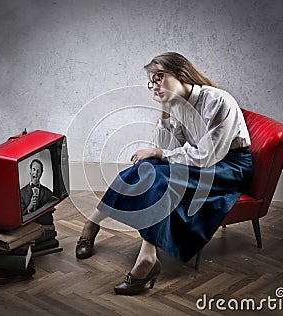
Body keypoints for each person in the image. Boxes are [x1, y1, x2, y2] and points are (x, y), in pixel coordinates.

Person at [75, 52, 252, 295]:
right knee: (143, 168)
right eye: (152, 81)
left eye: (160, 78)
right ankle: (92, 223)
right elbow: (169, 148)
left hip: (227, 167)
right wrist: (165, 112)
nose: (155, 85)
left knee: (160, 178)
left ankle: (147, 259)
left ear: (180, 74)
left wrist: (159, 153)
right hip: (198, 161)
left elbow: (207, 156)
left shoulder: (219, 102)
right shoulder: (177, 102)